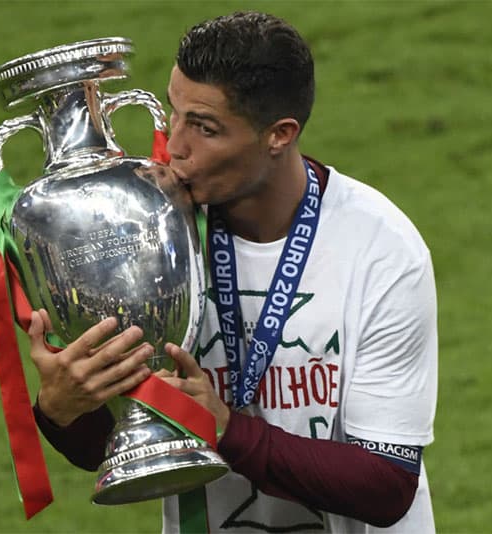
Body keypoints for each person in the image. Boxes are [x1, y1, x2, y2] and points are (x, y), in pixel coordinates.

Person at [28, 11, 438, 533]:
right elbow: (106, 447)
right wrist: (62, 407)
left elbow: (386, 485)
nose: (175, 146)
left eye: (204, 128)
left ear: (279, 134)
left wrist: (225, 429)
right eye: (174, 113)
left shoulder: (380, 250)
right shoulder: (148, 233)